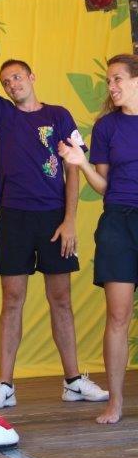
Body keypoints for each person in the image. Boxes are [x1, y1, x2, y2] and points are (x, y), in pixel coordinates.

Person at [0, 59, 108, 408]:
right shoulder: (3, 114)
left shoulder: (59, 115)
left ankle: (73, 381)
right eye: (6, 81)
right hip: (14, 218)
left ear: (32, 77)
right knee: (12, 299)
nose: (12, 84)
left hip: (53, 218)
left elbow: (73, 167)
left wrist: (70, 220)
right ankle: (5, 384)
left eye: (17, 77)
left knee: (61, 298)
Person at [58, 53, 138, 423]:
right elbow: (103, 185)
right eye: (108, 81)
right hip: (118, 223)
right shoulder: (106, 127)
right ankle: (116, 402)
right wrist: (81, 163)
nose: (111, 86)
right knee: (118, 316)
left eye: (117, 79)